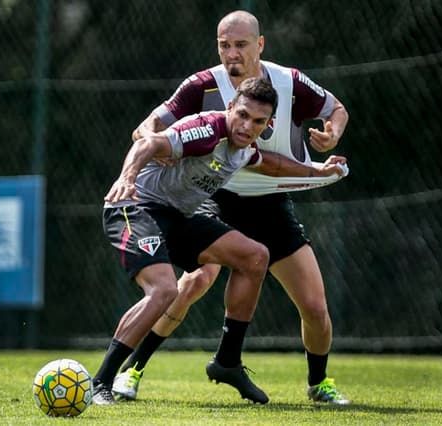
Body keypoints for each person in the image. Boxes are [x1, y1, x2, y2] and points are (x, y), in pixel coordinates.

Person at [112, 10, 351, 405]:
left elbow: (336, 109)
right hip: (214, 198)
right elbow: (146, 127)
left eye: (241, 45)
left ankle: (319, 384)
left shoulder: (289, 82)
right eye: (225, 45)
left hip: (271, 202)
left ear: (260, 45)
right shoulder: (203, 86)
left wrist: (332, 134)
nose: (232, 54)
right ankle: (132, 370)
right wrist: (154, 142)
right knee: (194, 282)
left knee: (314, 304)